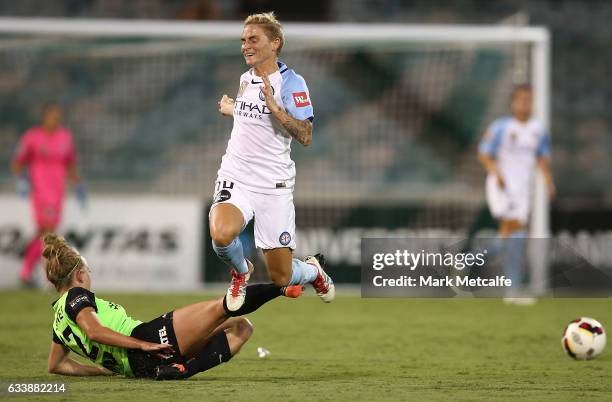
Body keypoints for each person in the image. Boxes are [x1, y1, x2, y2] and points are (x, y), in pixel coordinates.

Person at [44, 233, 302, 380]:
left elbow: (57, 365)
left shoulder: (58, 320)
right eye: (87, 271)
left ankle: (180, 370)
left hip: (140, 367)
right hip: (147, 340)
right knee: (221, 308)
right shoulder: (77, 296)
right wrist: (142, 344)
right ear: (78, 275)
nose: (89, 276)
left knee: (241, 327)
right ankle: (282, 285)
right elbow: (94, 331)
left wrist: (102, 372)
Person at [211, 12, 334, 311]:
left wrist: (277, 110)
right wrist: (233, 109)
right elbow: (252, 115)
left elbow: (305, 134)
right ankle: (241, 271)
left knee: (282, 276)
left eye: (253, 39)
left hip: (273, 184)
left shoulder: (291, 82)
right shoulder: (245, 78)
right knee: (222, 234)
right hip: (236, 174)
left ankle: (313, 271)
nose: (245, 46)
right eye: (243, 40)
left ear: (275, 43)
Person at [478, 84, 555, 302]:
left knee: (511, 236)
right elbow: (484, 154)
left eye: (529, 99)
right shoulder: (501, 127)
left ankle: (467, 262)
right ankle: (513, 290)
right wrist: (497, 172)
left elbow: (542, 157)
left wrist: (548, 181)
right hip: (501, 185)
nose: (525, 103)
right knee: (516, 232)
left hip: (522, 191)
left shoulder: (538, 130)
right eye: (521, 99)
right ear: (513, 102)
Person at [11, 103, 86, 287]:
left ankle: (28, 270)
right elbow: (18, 162)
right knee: (48, 231)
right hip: (40, 190)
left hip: (58, 192)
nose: (55, 120)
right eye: (52, 116)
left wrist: (79, 186)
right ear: (44, 117)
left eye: (58, 116)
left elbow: (71, 164)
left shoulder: (65, 137)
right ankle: (34, 274)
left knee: (44, 232)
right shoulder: (32, 137)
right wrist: (21, 180)